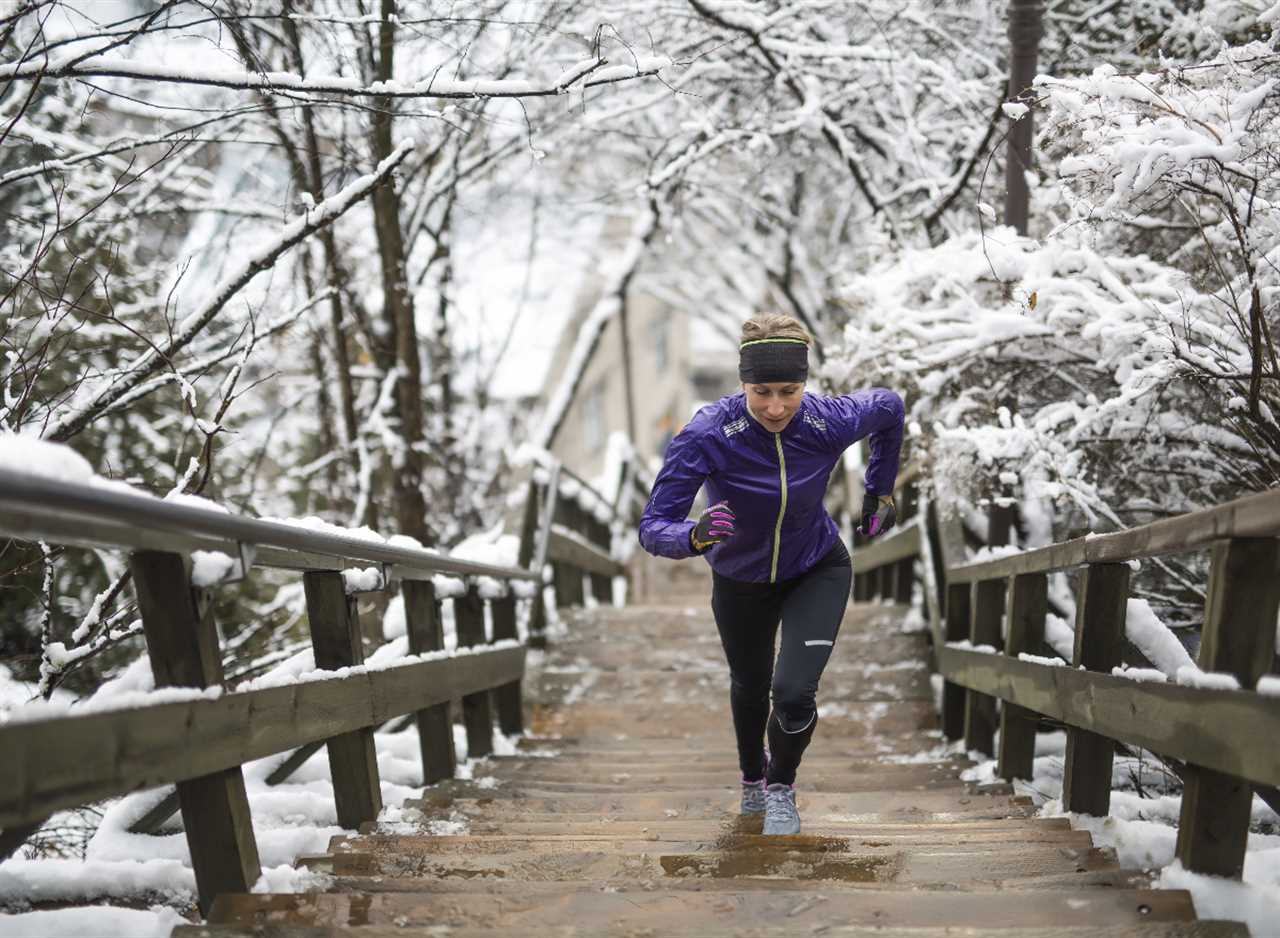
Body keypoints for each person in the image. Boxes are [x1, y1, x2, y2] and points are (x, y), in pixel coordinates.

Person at [637, 313, 904, 835]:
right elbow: (652, 526)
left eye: (789, 390)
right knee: (750, 685)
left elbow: (890, 408)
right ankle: (751, 778)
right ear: (743, 383)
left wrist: (880, 489)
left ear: (806, 384)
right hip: (741, 580)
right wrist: (691, 536)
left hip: (817, 566)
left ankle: (782, 786)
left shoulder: (828, 419)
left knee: (793, 690)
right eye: (761, 391)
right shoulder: (708, 434)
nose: (776, 406)